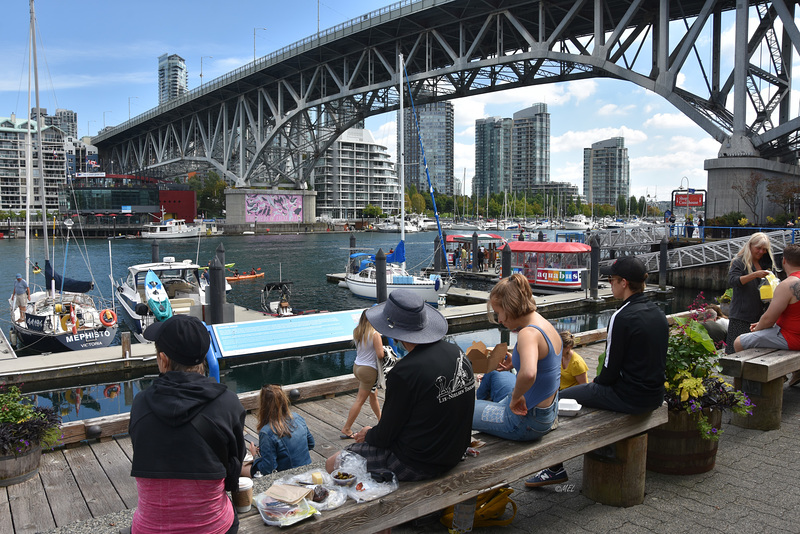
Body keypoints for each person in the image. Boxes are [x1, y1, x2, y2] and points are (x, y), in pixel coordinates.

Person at [533, 256, 667, 488]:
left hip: (629, 397)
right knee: (585, 392)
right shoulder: (657, 313)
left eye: (611, 279)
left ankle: (555, 467)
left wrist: (596, 384)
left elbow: (610, 369)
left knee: (560, 398)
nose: (609, 283)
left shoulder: (621, 316)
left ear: (624, 283)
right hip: (654, 396)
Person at [325, 290, 475, 481]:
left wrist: (368, 434)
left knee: (332, 463)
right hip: (453, 452)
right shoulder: (457, 352)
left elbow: (386, 436)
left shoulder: (404, 372)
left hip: (419, 463)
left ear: (395, 334)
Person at [129, 314, 246, 534]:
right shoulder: (228, 402)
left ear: (163, 360)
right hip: (211, 527)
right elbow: (235, 461)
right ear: (203, 357)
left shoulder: (141, 403)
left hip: (150, 530)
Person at [472, 273, 560, 442]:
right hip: (547, 411)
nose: (499, 320)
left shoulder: (528, 333)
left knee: (460, 410)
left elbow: (528, 374)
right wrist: (516, 360)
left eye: (499, 313)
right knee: (495, 381)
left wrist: (515, 399)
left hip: (526, 420)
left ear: (510, 306)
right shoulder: (543, 324)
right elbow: (545, 364)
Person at [525, 330, 587, 486]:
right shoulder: (556, 358)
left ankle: (554, 468)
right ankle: (552, 467)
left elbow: (584, 387)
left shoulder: (577, 363)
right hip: (557, 394)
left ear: (567, 347)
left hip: (570, 397)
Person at [246, 385, 315, 476]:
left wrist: (255, 456)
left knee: (241, 468)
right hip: (307, 469)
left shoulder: (267, 432)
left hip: (288, 476)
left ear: (263, 405)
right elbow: (311, 444)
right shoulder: (298, 417)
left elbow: (268, 469)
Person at [725, 232, 775, 353]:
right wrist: (754, 275)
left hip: (760, 316)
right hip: (741, 316)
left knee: (755, 351)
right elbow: (733, 281)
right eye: (758, 248)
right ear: (750, 246)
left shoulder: (766, 263)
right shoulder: (739, 262)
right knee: (734, 351)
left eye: (764, 249)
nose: (761, 252)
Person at [340, 311, 383, 439]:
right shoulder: (375, 334)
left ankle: (382, 421)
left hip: (357, 367)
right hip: (369, 370)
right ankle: (346, 428)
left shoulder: (357, 331)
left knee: (373, 394)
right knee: (360, 400)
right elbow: (380, 355)